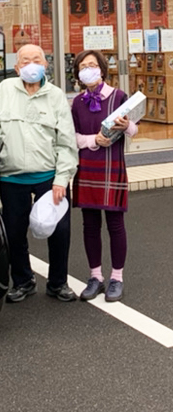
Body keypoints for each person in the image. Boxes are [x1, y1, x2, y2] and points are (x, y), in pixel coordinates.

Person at [0, 44, 79, 303]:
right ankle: (23, 281)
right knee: (13, 233)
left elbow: (67, 141)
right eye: (25, 61)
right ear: (16, 67)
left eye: (36, 60)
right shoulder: (4, 90)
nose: (31, 65)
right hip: (13, 176)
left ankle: (58, 282)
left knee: (59, 232)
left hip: (49, 176)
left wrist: (62, 179)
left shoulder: (56, 96)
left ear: (45, 65)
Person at [70, 50, 138, 302]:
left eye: (92, 65)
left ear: (101, 68)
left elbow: (135, 129)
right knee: (89, 225)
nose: (88, 69)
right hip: (87, 166)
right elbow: (73, 137)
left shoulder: (118, 97)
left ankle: (116, 278)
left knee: (115, 224)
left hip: (112, 166)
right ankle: (95, 277)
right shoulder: (77, 102)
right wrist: (94, 140)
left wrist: (127, 125)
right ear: (78, 73)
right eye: (82, 66)